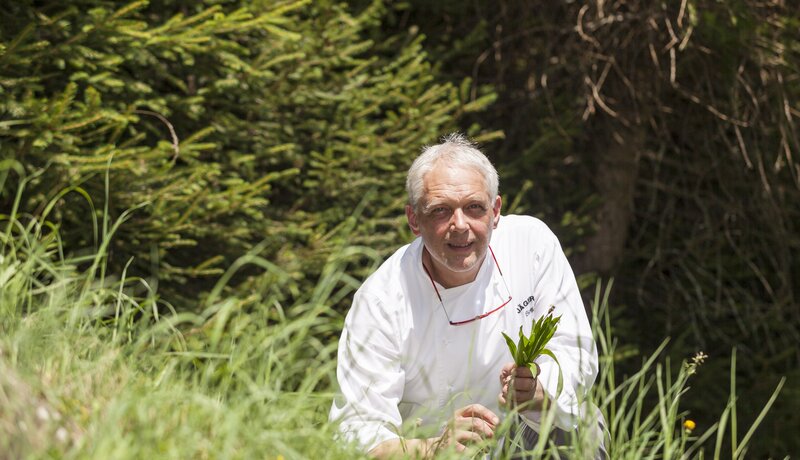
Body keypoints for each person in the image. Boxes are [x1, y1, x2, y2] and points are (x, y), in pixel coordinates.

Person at [330, 133, 603, 458]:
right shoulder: (381, 300)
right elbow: (358, 434)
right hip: (430, 447)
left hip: (523, 433)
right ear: (414, 220)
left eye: (474, 208)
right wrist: (434, 448)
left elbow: (575, 352)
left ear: (496, 210)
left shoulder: (532, 245)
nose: (460, 225)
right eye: (441, 211)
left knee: (585, 422)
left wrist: (538, 390)